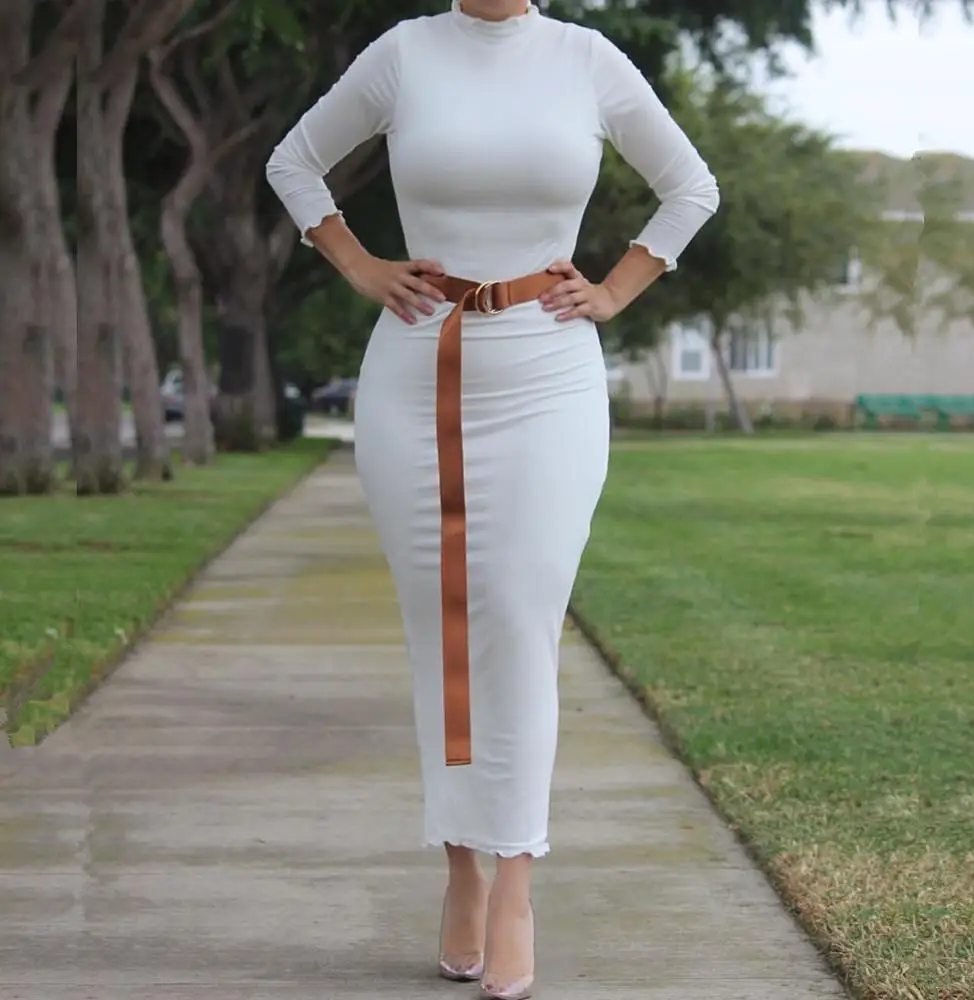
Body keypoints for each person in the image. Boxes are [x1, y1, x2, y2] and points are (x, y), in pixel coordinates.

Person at [265, 1, 718, 996]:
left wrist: (614, 290)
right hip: (414, 370)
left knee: (517, 616)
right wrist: (360, 265)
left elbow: (690, 187)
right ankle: (460, 865)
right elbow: (293, 162)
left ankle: (516, 877)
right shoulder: (404, 53)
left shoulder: (587, 59)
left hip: (548, 375)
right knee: (443, 629)